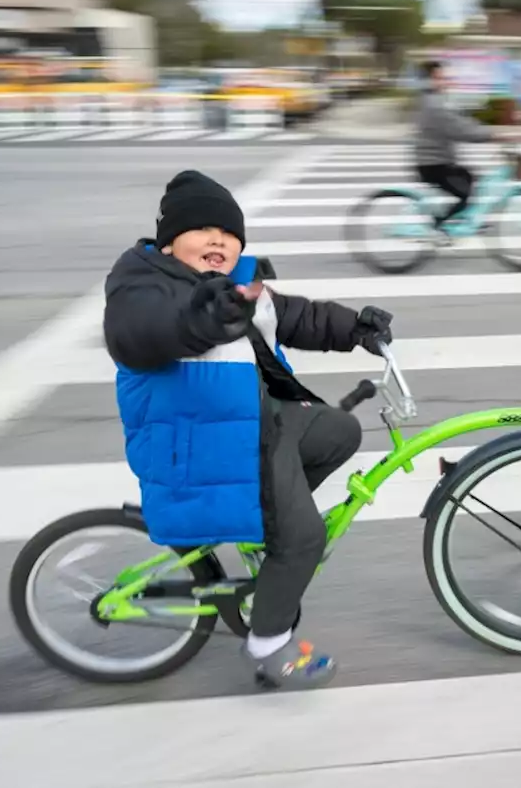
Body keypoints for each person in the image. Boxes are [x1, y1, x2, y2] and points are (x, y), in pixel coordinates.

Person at [102, 170, 394, 690]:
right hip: (204, 445)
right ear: (169, 242)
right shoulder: (145, 284)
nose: (218, 239)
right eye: (202, 229)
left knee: (339, 430)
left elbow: (299, 317)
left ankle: (267, 522)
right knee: (305, 536)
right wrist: (205, 321)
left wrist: (355, 328)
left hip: (252, 425)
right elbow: (143, 332)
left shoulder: (241, 286)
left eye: (229, 233)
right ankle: (267, 646)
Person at [413, 59, 498, 231]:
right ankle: (440, 226)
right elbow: (460, 130)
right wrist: (491, 136)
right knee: (464, 194)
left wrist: (484, 129)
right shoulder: (434, 105)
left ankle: (465, 218)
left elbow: (461, 121)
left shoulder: (436, 100)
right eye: (439, 78)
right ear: (428, 81)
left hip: (439, 161)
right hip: (433, 165)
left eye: (443, 77)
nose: (444, 81)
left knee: (470, 177)